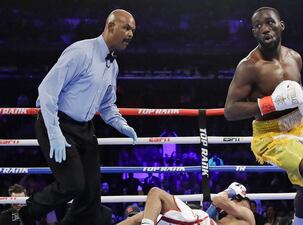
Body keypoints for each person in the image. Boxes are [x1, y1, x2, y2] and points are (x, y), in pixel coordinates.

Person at [18, 9, 137, 225]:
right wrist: (54, 133)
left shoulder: (113, 65)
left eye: (133, 30)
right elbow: (46, 90)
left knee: (91, 194)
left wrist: (122, 124)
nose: (130, 34)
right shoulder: (81, 52)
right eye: (126, 28)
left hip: (85, 129)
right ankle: (20, 216)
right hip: (57, 122)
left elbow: (107, 105)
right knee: (72, 184)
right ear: (110, 27)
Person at [224, 6, 303, 225]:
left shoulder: (295, 57)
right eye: (258, 26)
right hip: (270, 135)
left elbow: (296, 95)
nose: (264, 29)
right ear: (254, 32)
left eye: (269, 23)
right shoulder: (249, 66)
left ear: (281, 25)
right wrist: (269, 103)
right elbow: (230, 110)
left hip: (299, 125)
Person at [117, 182, 255, 225]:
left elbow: (218, 199)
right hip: (197, 219)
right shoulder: (226, 216)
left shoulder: (247, 214)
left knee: (155, 193)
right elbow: (214, 209)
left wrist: (230, 191)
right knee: (142, 216)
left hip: (197, 219)